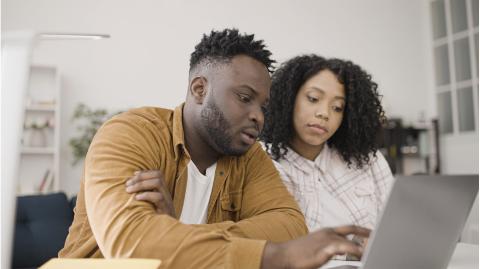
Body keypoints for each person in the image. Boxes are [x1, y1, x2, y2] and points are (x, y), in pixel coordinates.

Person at [59, 29, 369, 269]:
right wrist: (274, 256)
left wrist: (176, 231)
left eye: (264, 106)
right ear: (199, 89)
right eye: (245, 98)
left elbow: (289, 225)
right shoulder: (130, 134)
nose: (259, 116)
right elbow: (131, 245)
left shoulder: (249, 157)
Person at [261, 55, 394, 233]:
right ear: (289, 98)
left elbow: (396, 228)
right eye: (313, 99)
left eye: (337, 107)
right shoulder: (262, 162)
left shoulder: (369, 161)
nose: (324, 113)